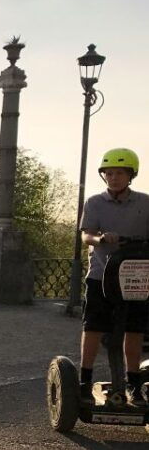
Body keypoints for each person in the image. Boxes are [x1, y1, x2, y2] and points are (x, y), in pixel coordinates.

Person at [78, 148, 149, 406]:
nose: (114, 177)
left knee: (134, 329)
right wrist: (100, 238)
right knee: (93, 326)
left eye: (119, 173)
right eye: (109, 173)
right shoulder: (95, 203)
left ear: (130, 175)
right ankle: (85, 380)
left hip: (136, 277)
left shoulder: (145, 203)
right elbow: (86, 235)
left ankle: (133, 383)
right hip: (101, 275)